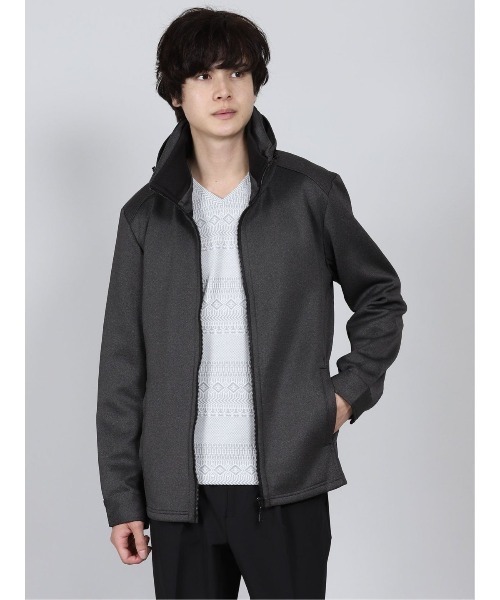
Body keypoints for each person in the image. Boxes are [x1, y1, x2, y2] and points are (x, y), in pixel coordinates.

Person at [96, 7, 407, 599]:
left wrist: (344, 396)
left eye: (237, 72)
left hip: (285, 483)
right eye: (203, 75)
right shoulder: (144, 218)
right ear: (175, 94)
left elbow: (380, 295)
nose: (224, 90)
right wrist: (123, 498)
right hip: (179, 495)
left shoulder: (309, 194)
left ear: (255, 84)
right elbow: (121, 366)